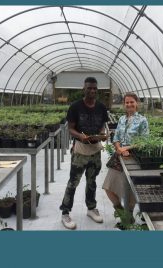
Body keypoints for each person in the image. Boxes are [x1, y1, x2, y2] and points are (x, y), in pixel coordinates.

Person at [60, 77, 109, 230]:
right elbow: (71, 128)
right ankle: (65, 213)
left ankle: (91, 208)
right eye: (89, 88)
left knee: (92, 181)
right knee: (73, 182)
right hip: (80, 150)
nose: (92, 91)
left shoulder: (101, 107)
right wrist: (80, 136)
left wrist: (101, 134)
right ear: (84, 88)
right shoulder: (75, 107)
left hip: (95, 151)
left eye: (95, 88)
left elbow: (102, 125)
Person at [103, 92, 149, 222]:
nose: (129, 104)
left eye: (131, 102)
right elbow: (116, 137)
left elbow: (144, 141)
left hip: (134, 157)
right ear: (124, 104)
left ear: (137, 104)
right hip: (119, 156)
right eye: (127, 102)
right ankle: (121, 212)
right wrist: (119, 149)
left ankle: (128, 218)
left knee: (130, 187)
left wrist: (127, 148)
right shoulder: (122, 119)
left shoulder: (142, 120)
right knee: (108, 187)